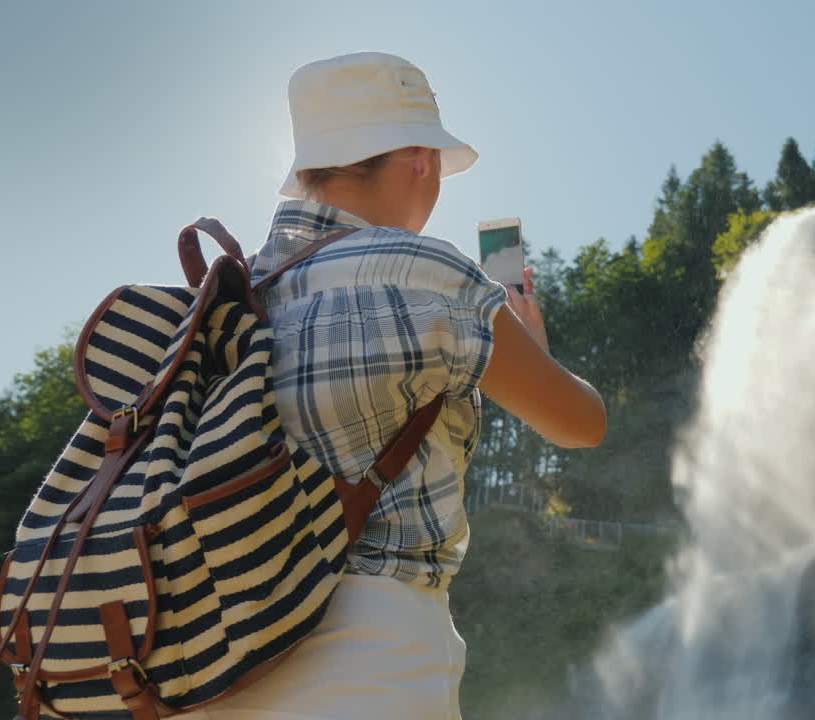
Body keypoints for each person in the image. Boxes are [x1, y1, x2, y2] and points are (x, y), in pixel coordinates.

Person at [180, 52, 606, 720]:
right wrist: (536, 344)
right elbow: (581, 423)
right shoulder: (423, 273)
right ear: (419, 159)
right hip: (369, 658)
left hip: (213, 662)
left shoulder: (232, 294)